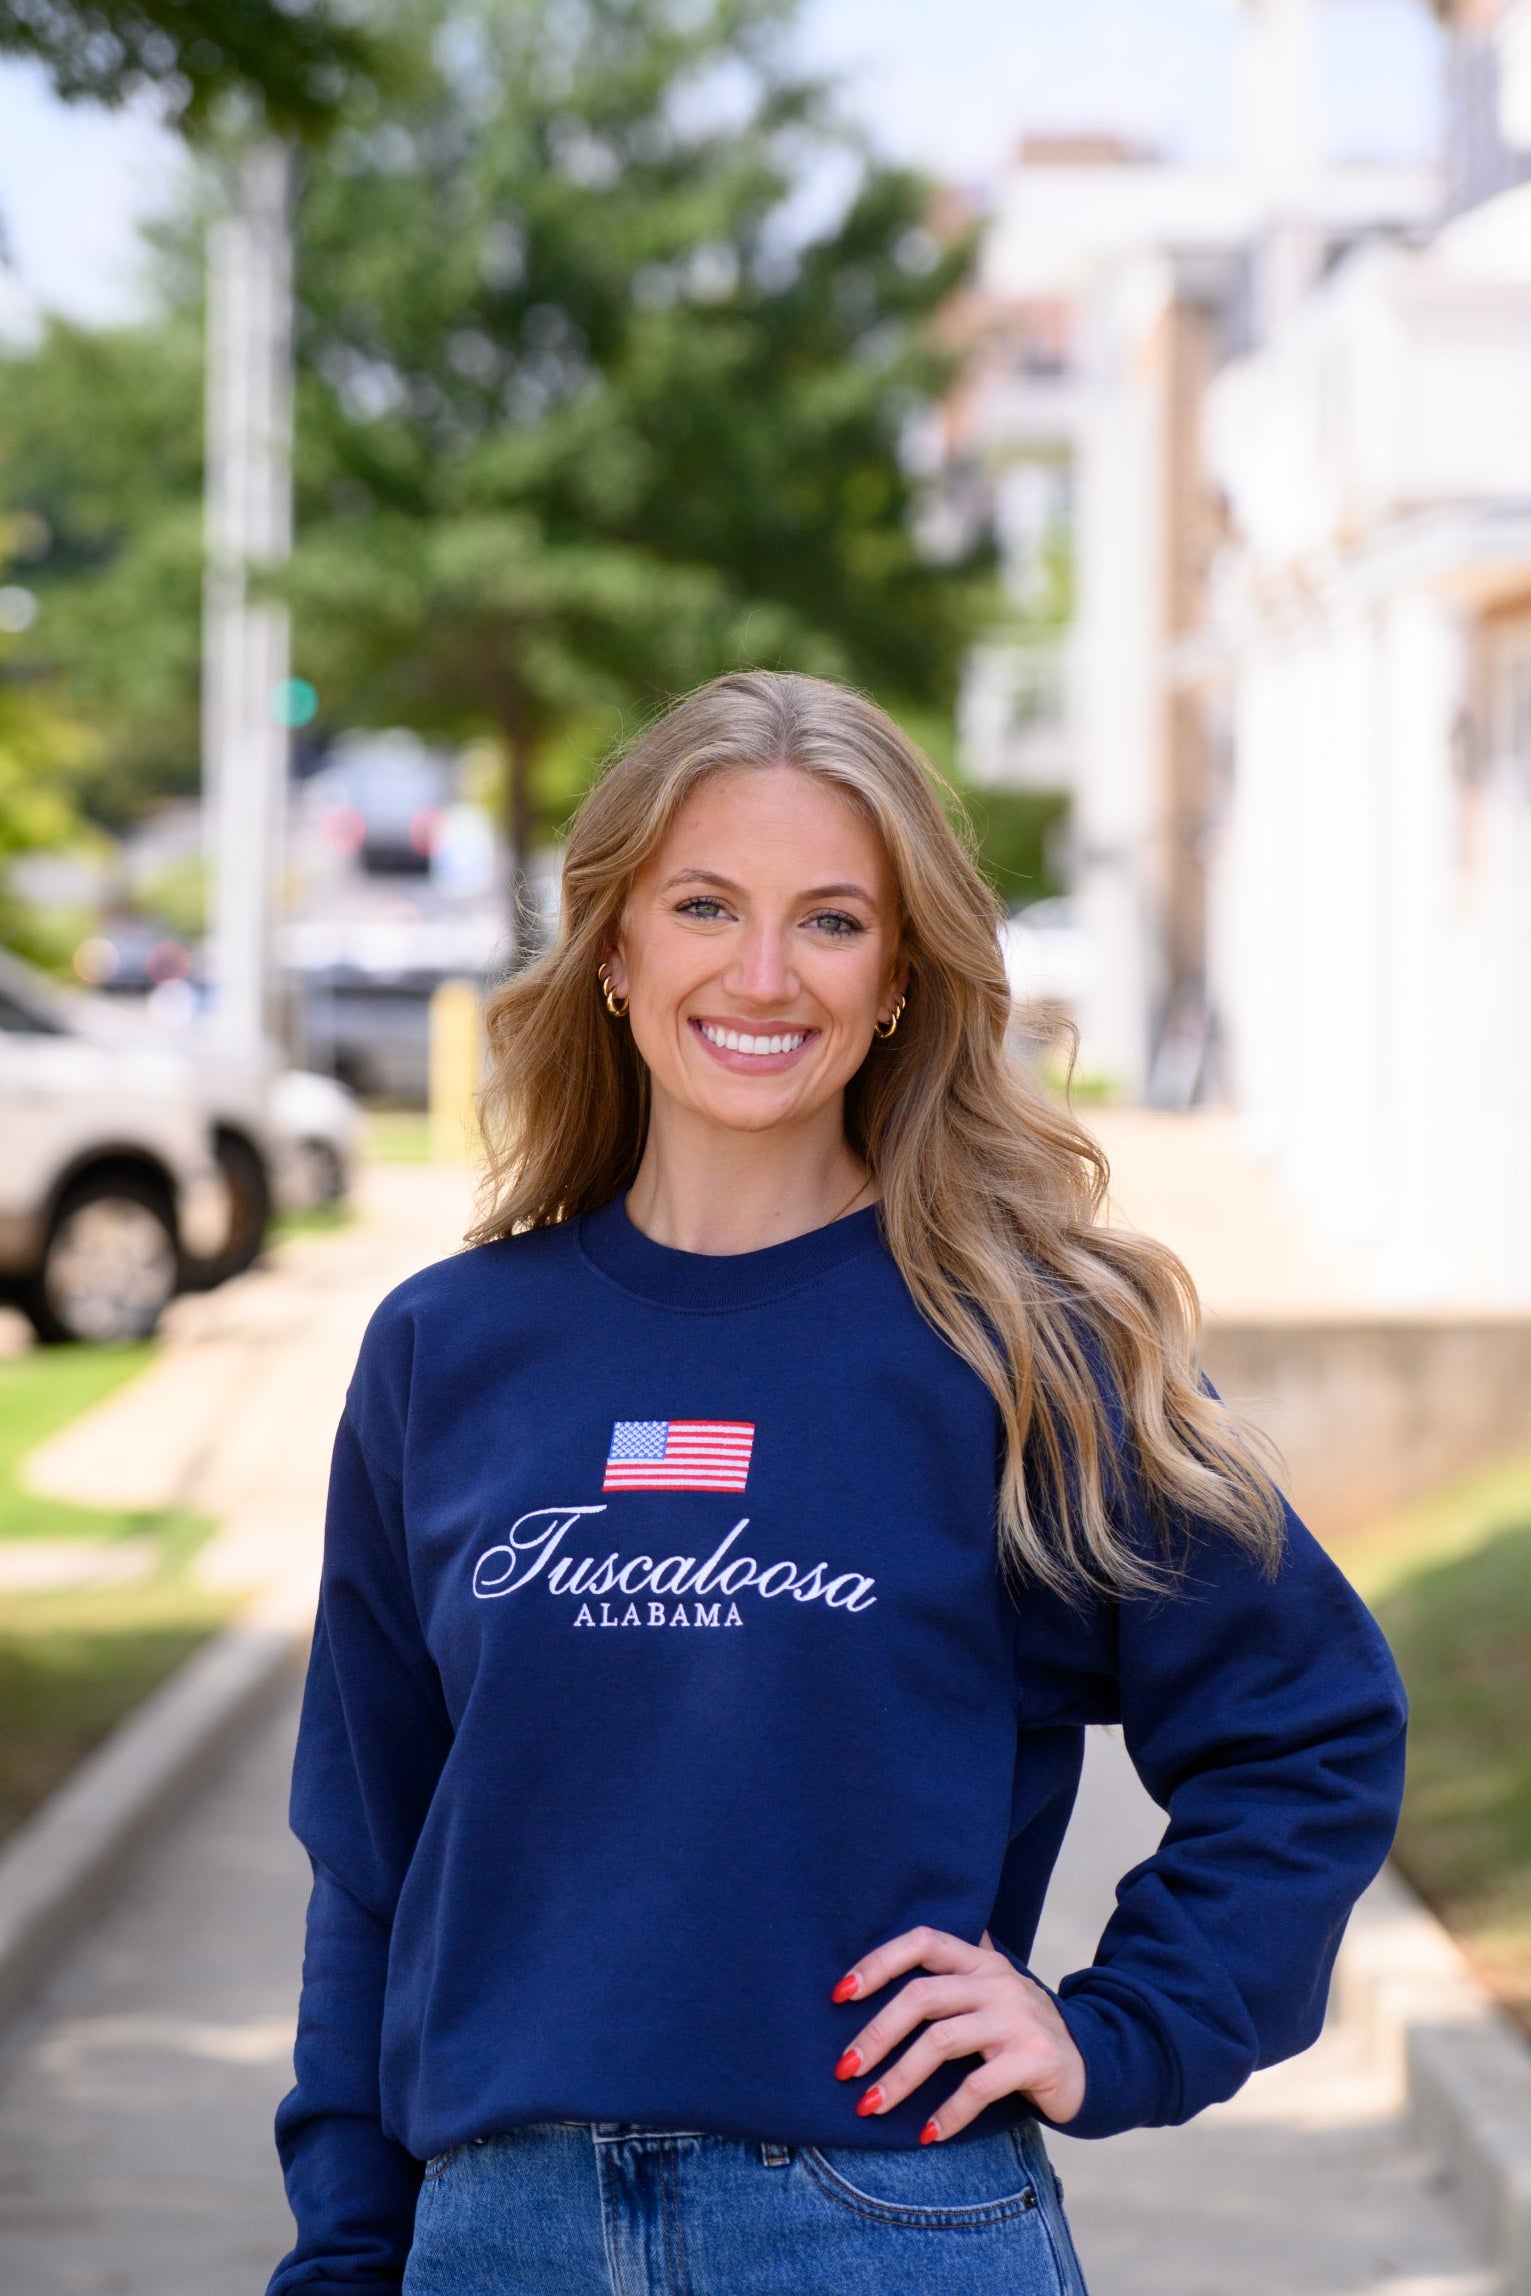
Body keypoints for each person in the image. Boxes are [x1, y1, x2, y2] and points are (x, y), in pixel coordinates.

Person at [266, 670, 1406, 2296]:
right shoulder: (447, 1351)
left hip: (880, 2227)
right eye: (705, 906)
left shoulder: (1023, 1348)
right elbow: (369, 1859)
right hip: (499, 2237)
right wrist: (345, 2250)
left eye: (831, 922)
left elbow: (1310, 1728)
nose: (761, 974)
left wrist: (1123, 2028)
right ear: (613, 948)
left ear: (898, 978)